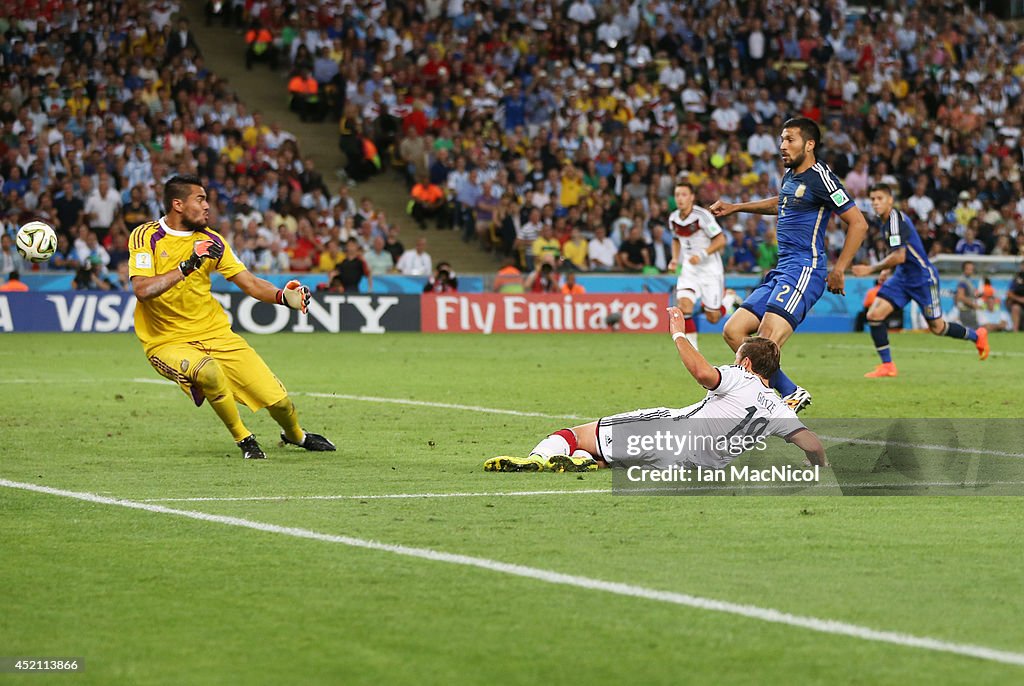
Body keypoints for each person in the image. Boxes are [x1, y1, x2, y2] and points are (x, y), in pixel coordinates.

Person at [128, 175, 335, 459]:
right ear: (177, 204)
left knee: (280, 402)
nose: (207, 206)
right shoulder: (146, 236)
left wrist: (283, 297)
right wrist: (188, 265)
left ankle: (296, 435)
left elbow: (249, 283)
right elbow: (143, 290)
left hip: (217, 334)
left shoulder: (212, 241)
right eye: (199, 200)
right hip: (167, 341)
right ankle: (244, 438)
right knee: (209, 372)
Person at [485, 307, 826, 472]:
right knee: (613, 458)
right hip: (692, 468)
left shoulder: (740, 377)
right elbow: (811, 443)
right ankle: (585, 464)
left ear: (748, 363)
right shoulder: (779, 408)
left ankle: (536, 459)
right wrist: (819, 465)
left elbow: (704, 374)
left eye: (738, 358)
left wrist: (678, 333)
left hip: (666, 433)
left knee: (576, 432)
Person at [710, 117, 868, 412]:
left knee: (765, 342)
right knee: (734, 332)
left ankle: (763, 408)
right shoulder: (791, 177)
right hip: (782, 269)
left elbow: (858, 223)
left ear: (809, 145)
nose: (782, 146)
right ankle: (789, 392)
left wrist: (840, 268)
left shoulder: (823, 178)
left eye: (790, 140)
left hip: (805, 269)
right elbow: (781, 202)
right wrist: (737, 207)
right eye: (781, 140)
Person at [851, 183, 988, 378]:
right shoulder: (886, 222)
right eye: (873, 199)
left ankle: (977, 336)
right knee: (874, 314)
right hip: (902, 277)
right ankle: (888, 365)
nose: (875, 203)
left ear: (890, 200)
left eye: (880, 198)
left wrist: (871, 269)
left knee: (937, 328)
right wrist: (887, 270)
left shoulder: (894, 219)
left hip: (922, 278)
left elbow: (899, 256)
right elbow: (898, 254)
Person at [666, 182, 725, 349]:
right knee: (684, 307)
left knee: (712, 318)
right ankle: (694, 353)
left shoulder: (703, 216)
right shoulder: (673, 218)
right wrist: (675, 259)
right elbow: (676, 239)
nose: (680, 198)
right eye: (677, 195)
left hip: (710, 269)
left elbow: (721, 240)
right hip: (689, 269)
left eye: (684, 194)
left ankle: (728, 299)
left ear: (692, 197)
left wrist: (702, 254)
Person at [955, 261, 979, 328]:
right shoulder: (963, 281)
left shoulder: (969, 280)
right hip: (965, 310)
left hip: (969, 310)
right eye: (968, 269)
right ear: (964, 269)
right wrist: (973, 304)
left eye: (971, 269)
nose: (970, 270)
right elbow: (960, 296)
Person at [1004, 267, 1024, 332]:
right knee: (1015, 308)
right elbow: (1009, 293)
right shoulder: (1016, 279)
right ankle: (1015, 331)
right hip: (1018, 304)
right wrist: (1020, 299)